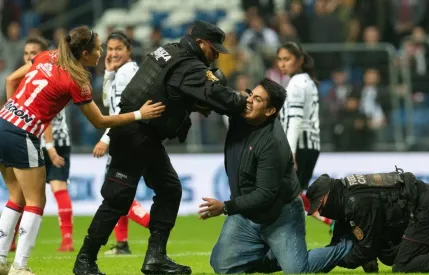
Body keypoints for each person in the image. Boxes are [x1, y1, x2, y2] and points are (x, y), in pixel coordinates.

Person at [73, 20, 249, 275]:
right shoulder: (189, 65)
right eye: (214, 50)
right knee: (117, 199)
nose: (215, 56)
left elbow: (168, 89)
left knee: (169, 189)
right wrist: (242, 102)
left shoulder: (171, 50)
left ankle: (155, 258)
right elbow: (216, 95)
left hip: (145, 137)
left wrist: (189, 103)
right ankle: (85, 260)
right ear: (202, 44)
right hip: (134, 136)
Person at [0, 25, 164, 275]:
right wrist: (140, 114)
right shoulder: (77, 80)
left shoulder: (47, 55)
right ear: (85, 52)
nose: (101, 54)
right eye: (98, 49)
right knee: (36, 201)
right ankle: (19, 267)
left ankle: (1, 259)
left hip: (2, 122)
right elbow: (99, 121)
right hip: (22, 133)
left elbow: (13, 79)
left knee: (16, 196)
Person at [199, 78, 353, 274]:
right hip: (246, 215)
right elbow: (219, 96)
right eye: (250, 95)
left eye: (257, 99)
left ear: (270, 111)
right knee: (222, 265)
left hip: (280, 215)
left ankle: (348, 246)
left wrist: (225, 207)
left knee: (297, 270)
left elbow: (265, 195)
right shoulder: (242, 113)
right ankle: (269, 256)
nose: (249, 101)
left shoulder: (272, 143)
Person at [306, 169, 429, 273]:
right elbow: (343, 237)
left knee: (402, 266)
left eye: (320, 206)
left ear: (326, 195)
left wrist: (343, 259)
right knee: (389, 254)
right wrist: (324, 263)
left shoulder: (356, 202)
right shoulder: (346, 194)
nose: (321, 212)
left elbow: (368, 246)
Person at [8, 36, 78, 253]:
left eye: (33, 53)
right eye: (26, 53)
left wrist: (49, 146)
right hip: (29, 138)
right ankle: (11, 242)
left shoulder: (51, 74)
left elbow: (44, 117)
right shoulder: (24, 80)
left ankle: (67, 238)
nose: (29, 57)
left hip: (55, 140)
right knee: (23, 192)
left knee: (56, 187)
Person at [92, 30, 151, 256]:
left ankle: (154, 224)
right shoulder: (123, 71)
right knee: (120, 192)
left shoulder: (126, 73)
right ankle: (122, 244)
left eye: (119, 49)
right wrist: (107, 72)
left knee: (115, 193)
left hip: (124, 138)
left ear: (129, 51)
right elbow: (108, 101)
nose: (113, 53)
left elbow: (119, 111)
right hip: (129, 136)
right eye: (111, 49)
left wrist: (105, 138)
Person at [276, 41, 332, 226]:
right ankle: (331, 219)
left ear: (299, 60)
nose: (282, 64)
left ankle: (333, 219)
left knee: (286, 197)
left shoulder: (297, 84)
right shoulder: (307, 81)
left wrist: (290, 150)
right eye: (280, 59)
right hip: (310, 145)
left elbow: (295, 119)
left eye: (287, 59)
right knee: (294, 196)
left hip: (299, 145)